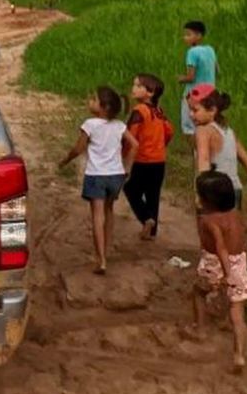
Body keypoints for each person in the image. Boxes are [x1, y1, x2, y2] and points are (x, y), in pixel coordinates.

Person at [59, 86, 138, 274]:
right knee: (109, 211)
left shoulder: (90, 124)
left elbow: (78, 149)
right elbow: (134, 144)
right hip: (115, 175)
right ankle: (107, 251)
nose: (90, 101)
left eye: (93, 99)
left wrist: (65, 160)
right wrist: (127, 168)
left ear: (104, 107)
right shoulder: (119, 125)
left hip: (96, 175)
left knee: (97, 216)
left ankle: (100, 259)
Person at [193, 170, 247, 373]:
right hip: (239, 262)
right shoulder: (236, 214)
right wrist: (233, 273)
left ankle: (200, 329)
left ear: (207, 201)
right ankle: (239, 355)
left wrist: (225, 273)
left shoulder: (208, 221)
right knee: (238, 311)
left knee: (199, 292)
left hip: (217, 262)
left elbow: (220, 248)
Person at [188, 85, 247, 211]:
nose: (190, 115)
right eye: (190, 110)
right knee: (231, 229)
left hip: (213, 192)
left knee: (210, 230)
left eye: (195, 110)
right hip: (234, 190)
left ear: (212, 110)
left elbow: (203, 162)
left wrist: (200, 194)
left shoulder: (203, 131)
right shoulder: (229, 132)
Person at [122, 73, 174, 239]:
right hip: (159, 160)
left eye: (138, 86)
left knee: (131, 189)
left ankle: (146, 218)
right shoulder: (159, 111)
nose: (133, 88)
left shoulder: (139, 111)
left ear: (150, 92)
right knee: (153, 194)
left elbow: (131, 135)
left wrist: (123, 155)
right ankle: (152, 232)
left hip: (142, 159)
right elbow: (169, 131)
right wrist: (160, 145)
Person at [177, 20, 217, 143]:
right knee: (207, 124)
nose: (185, 38)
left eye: (189, 34)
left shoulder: (192, 52)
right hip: (210, 92)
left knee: (190, 127)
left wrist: (180, 78)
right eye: (185, 35)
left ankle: (197, 154)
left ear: (199, 36)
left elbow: (191, 77)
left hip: (194, 94)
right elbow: (217, 69)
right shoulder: (210, 50)